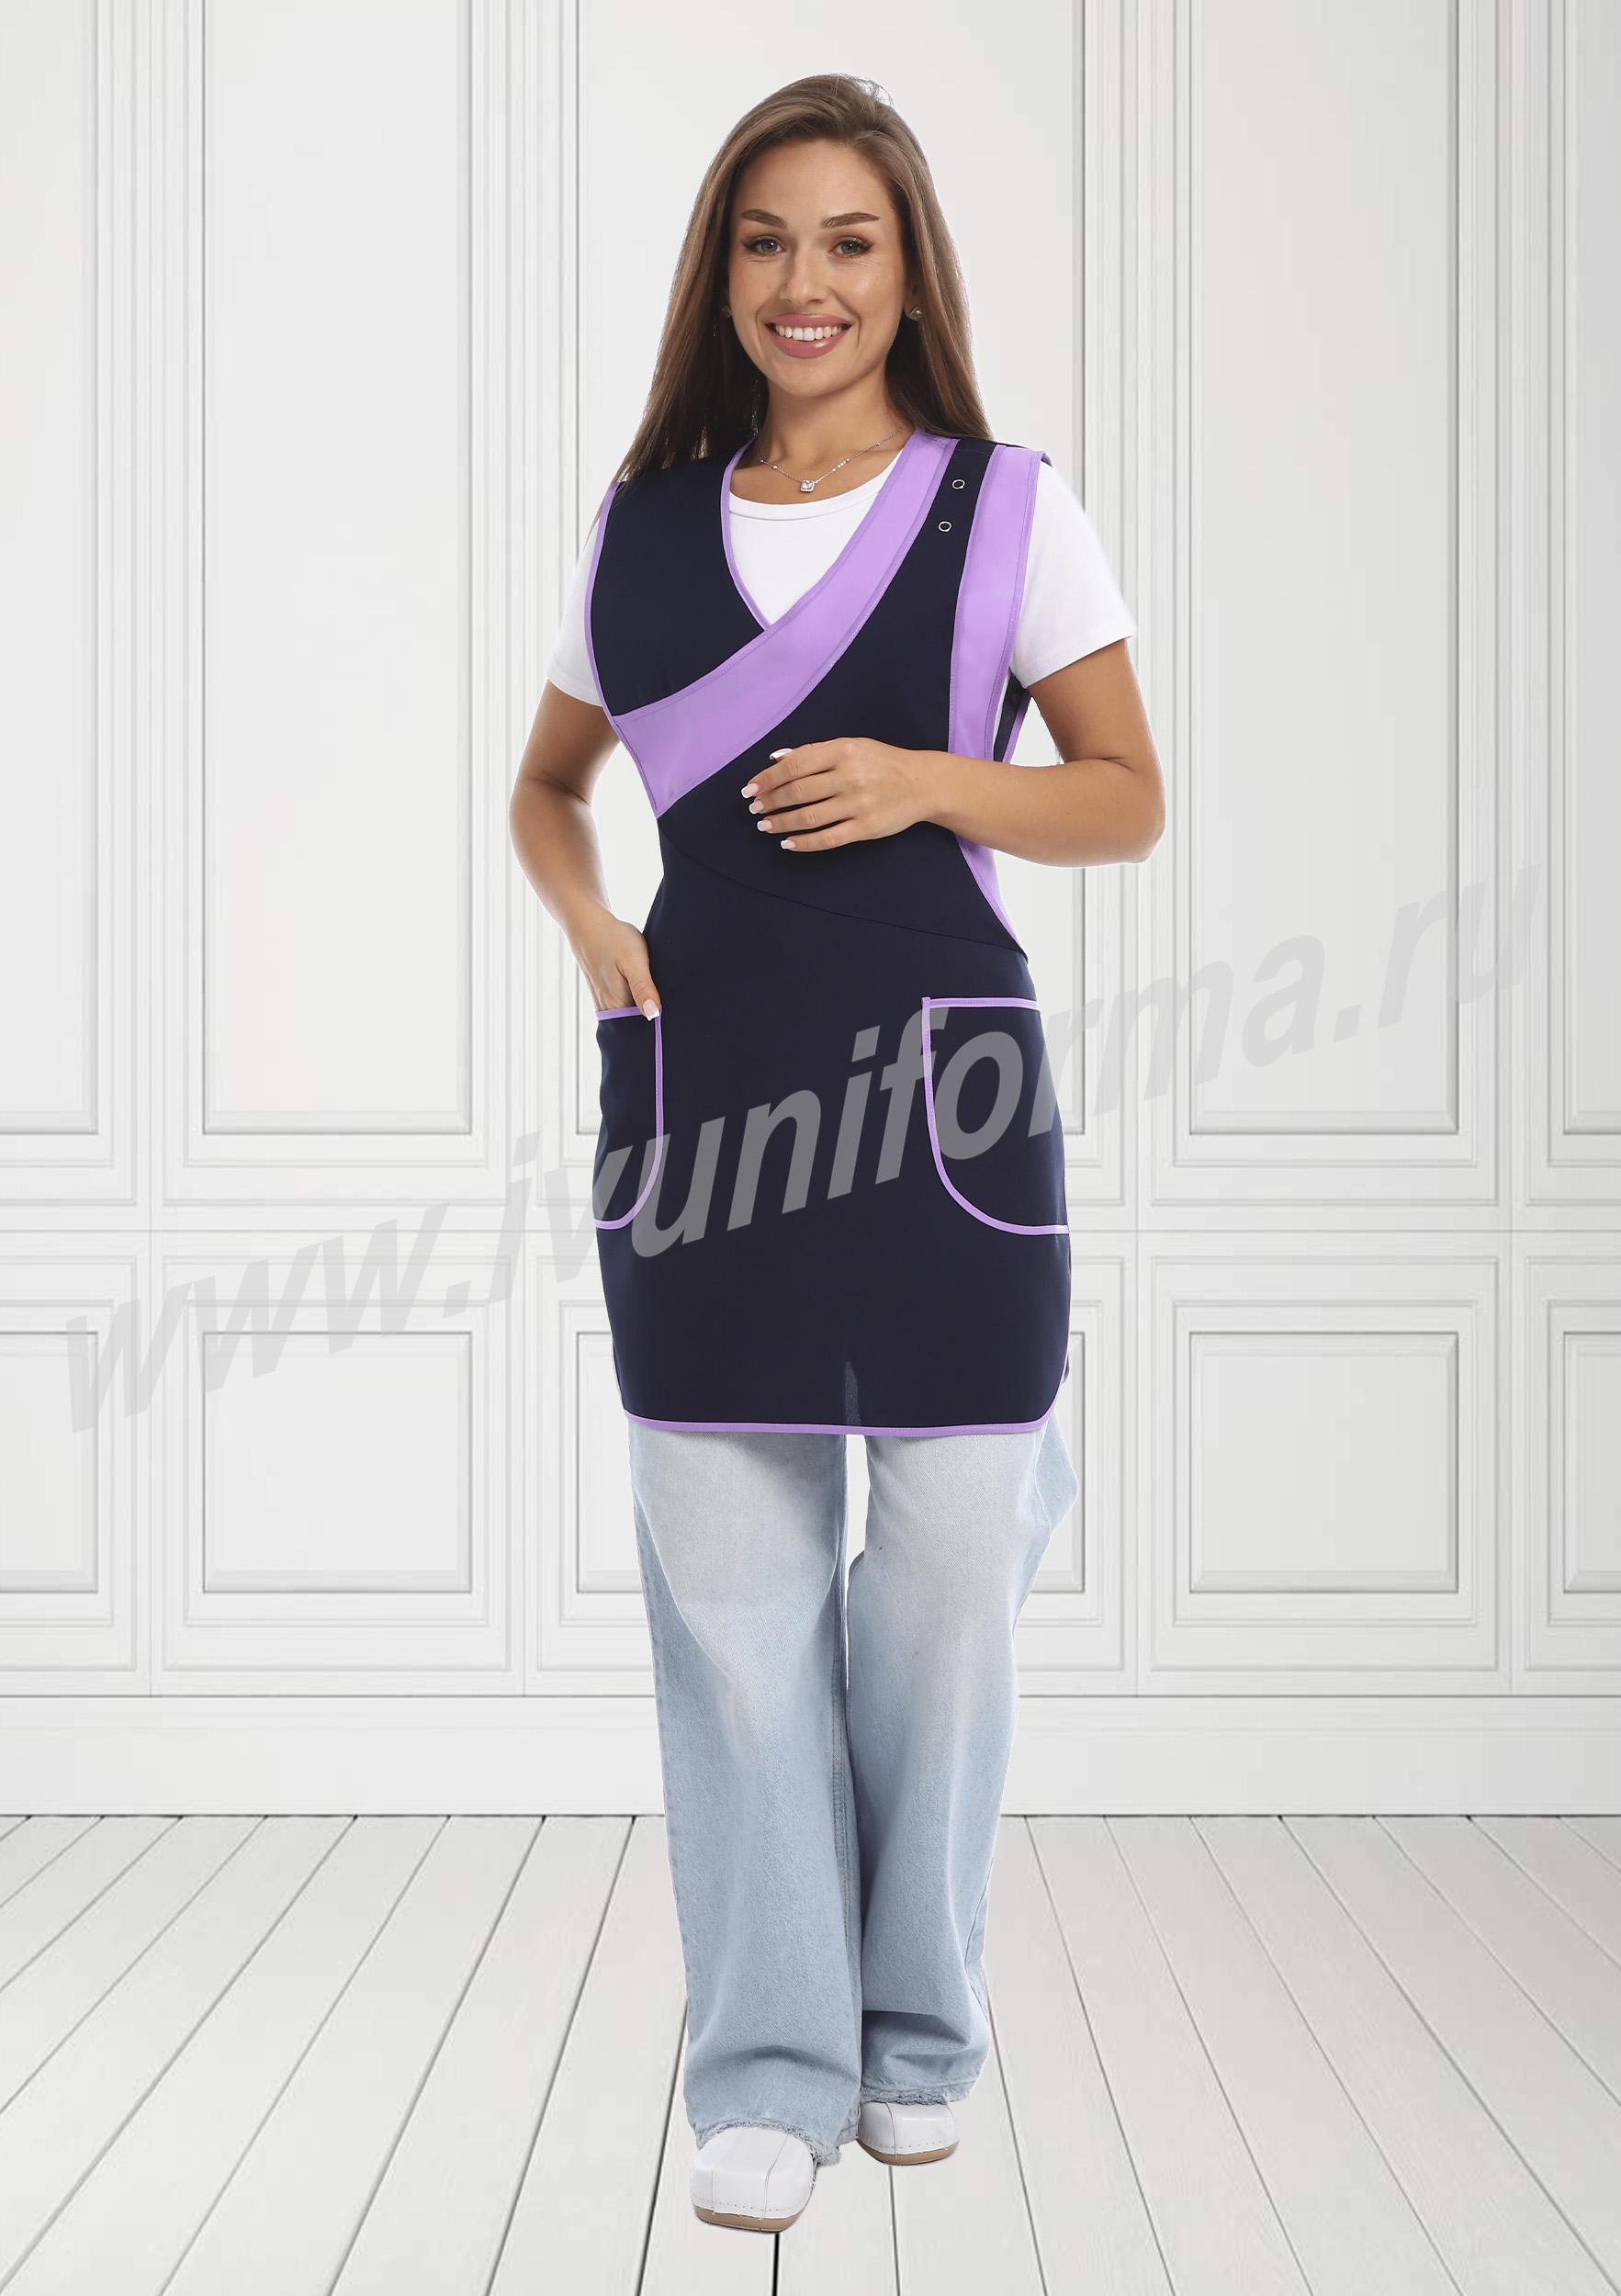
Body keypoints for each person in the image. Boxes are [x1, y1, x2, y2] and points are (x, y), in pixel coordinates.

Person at [509, 72, 1163, 2236]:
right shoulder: (640, 530)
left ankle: (915, 2030)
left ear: (907, 271)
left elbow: (1125, 792)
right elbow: (544, 785)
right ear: (722, 270)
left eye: (850, 242)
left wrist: (924, 780)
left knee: (955, 1568)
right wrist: (592, 923)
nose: (807, 282)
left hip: (946, 1121)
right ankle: (771, 2063)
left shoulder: (1006, 514)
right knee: (732, 1613)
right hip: (702, 1115)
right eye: (767, 239)